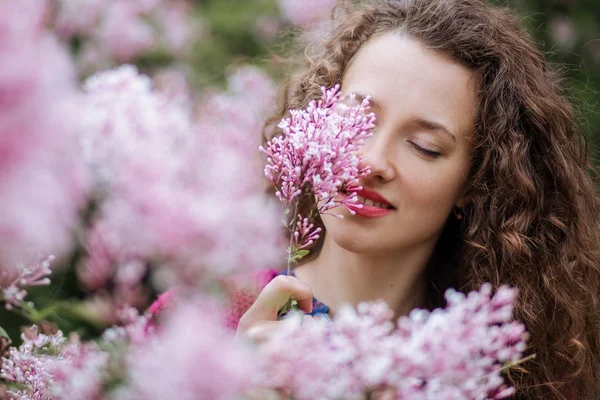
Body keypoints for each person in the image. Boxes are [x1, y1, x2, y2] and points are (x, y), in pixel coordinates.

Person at [234, 0, 600, 398]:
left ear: (474, 183)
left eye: (425, 147)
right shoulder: (204, 316)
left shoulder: (505, 377)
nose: (371, 162)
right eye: (357, 119)